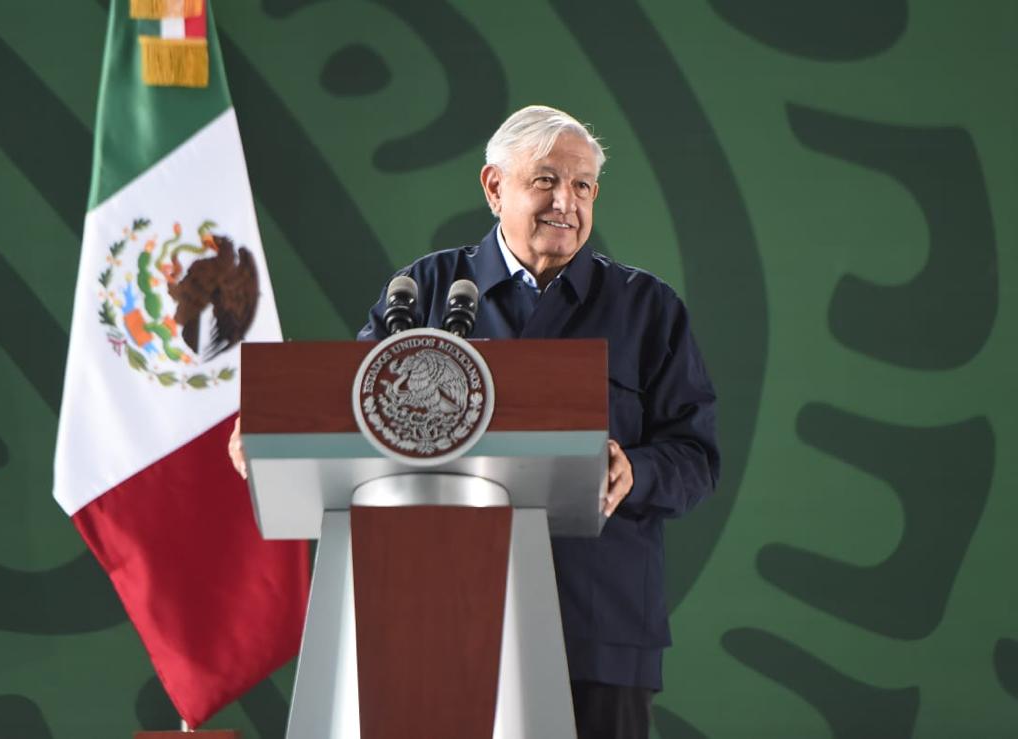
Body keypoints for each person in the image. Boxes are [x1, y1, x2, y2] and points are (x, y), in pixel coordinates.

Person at [231, 105, 719, 739]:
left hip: (598, 627)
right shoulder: (423, 292)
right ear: (494, 187)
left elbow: (696, 455)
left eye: (582, 186)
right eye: (545, 180)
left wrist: (638, 470)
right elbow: (349, 415)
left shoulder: (648, 309)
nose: (565, 202)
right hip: (432, 618)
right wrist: (276, 437)